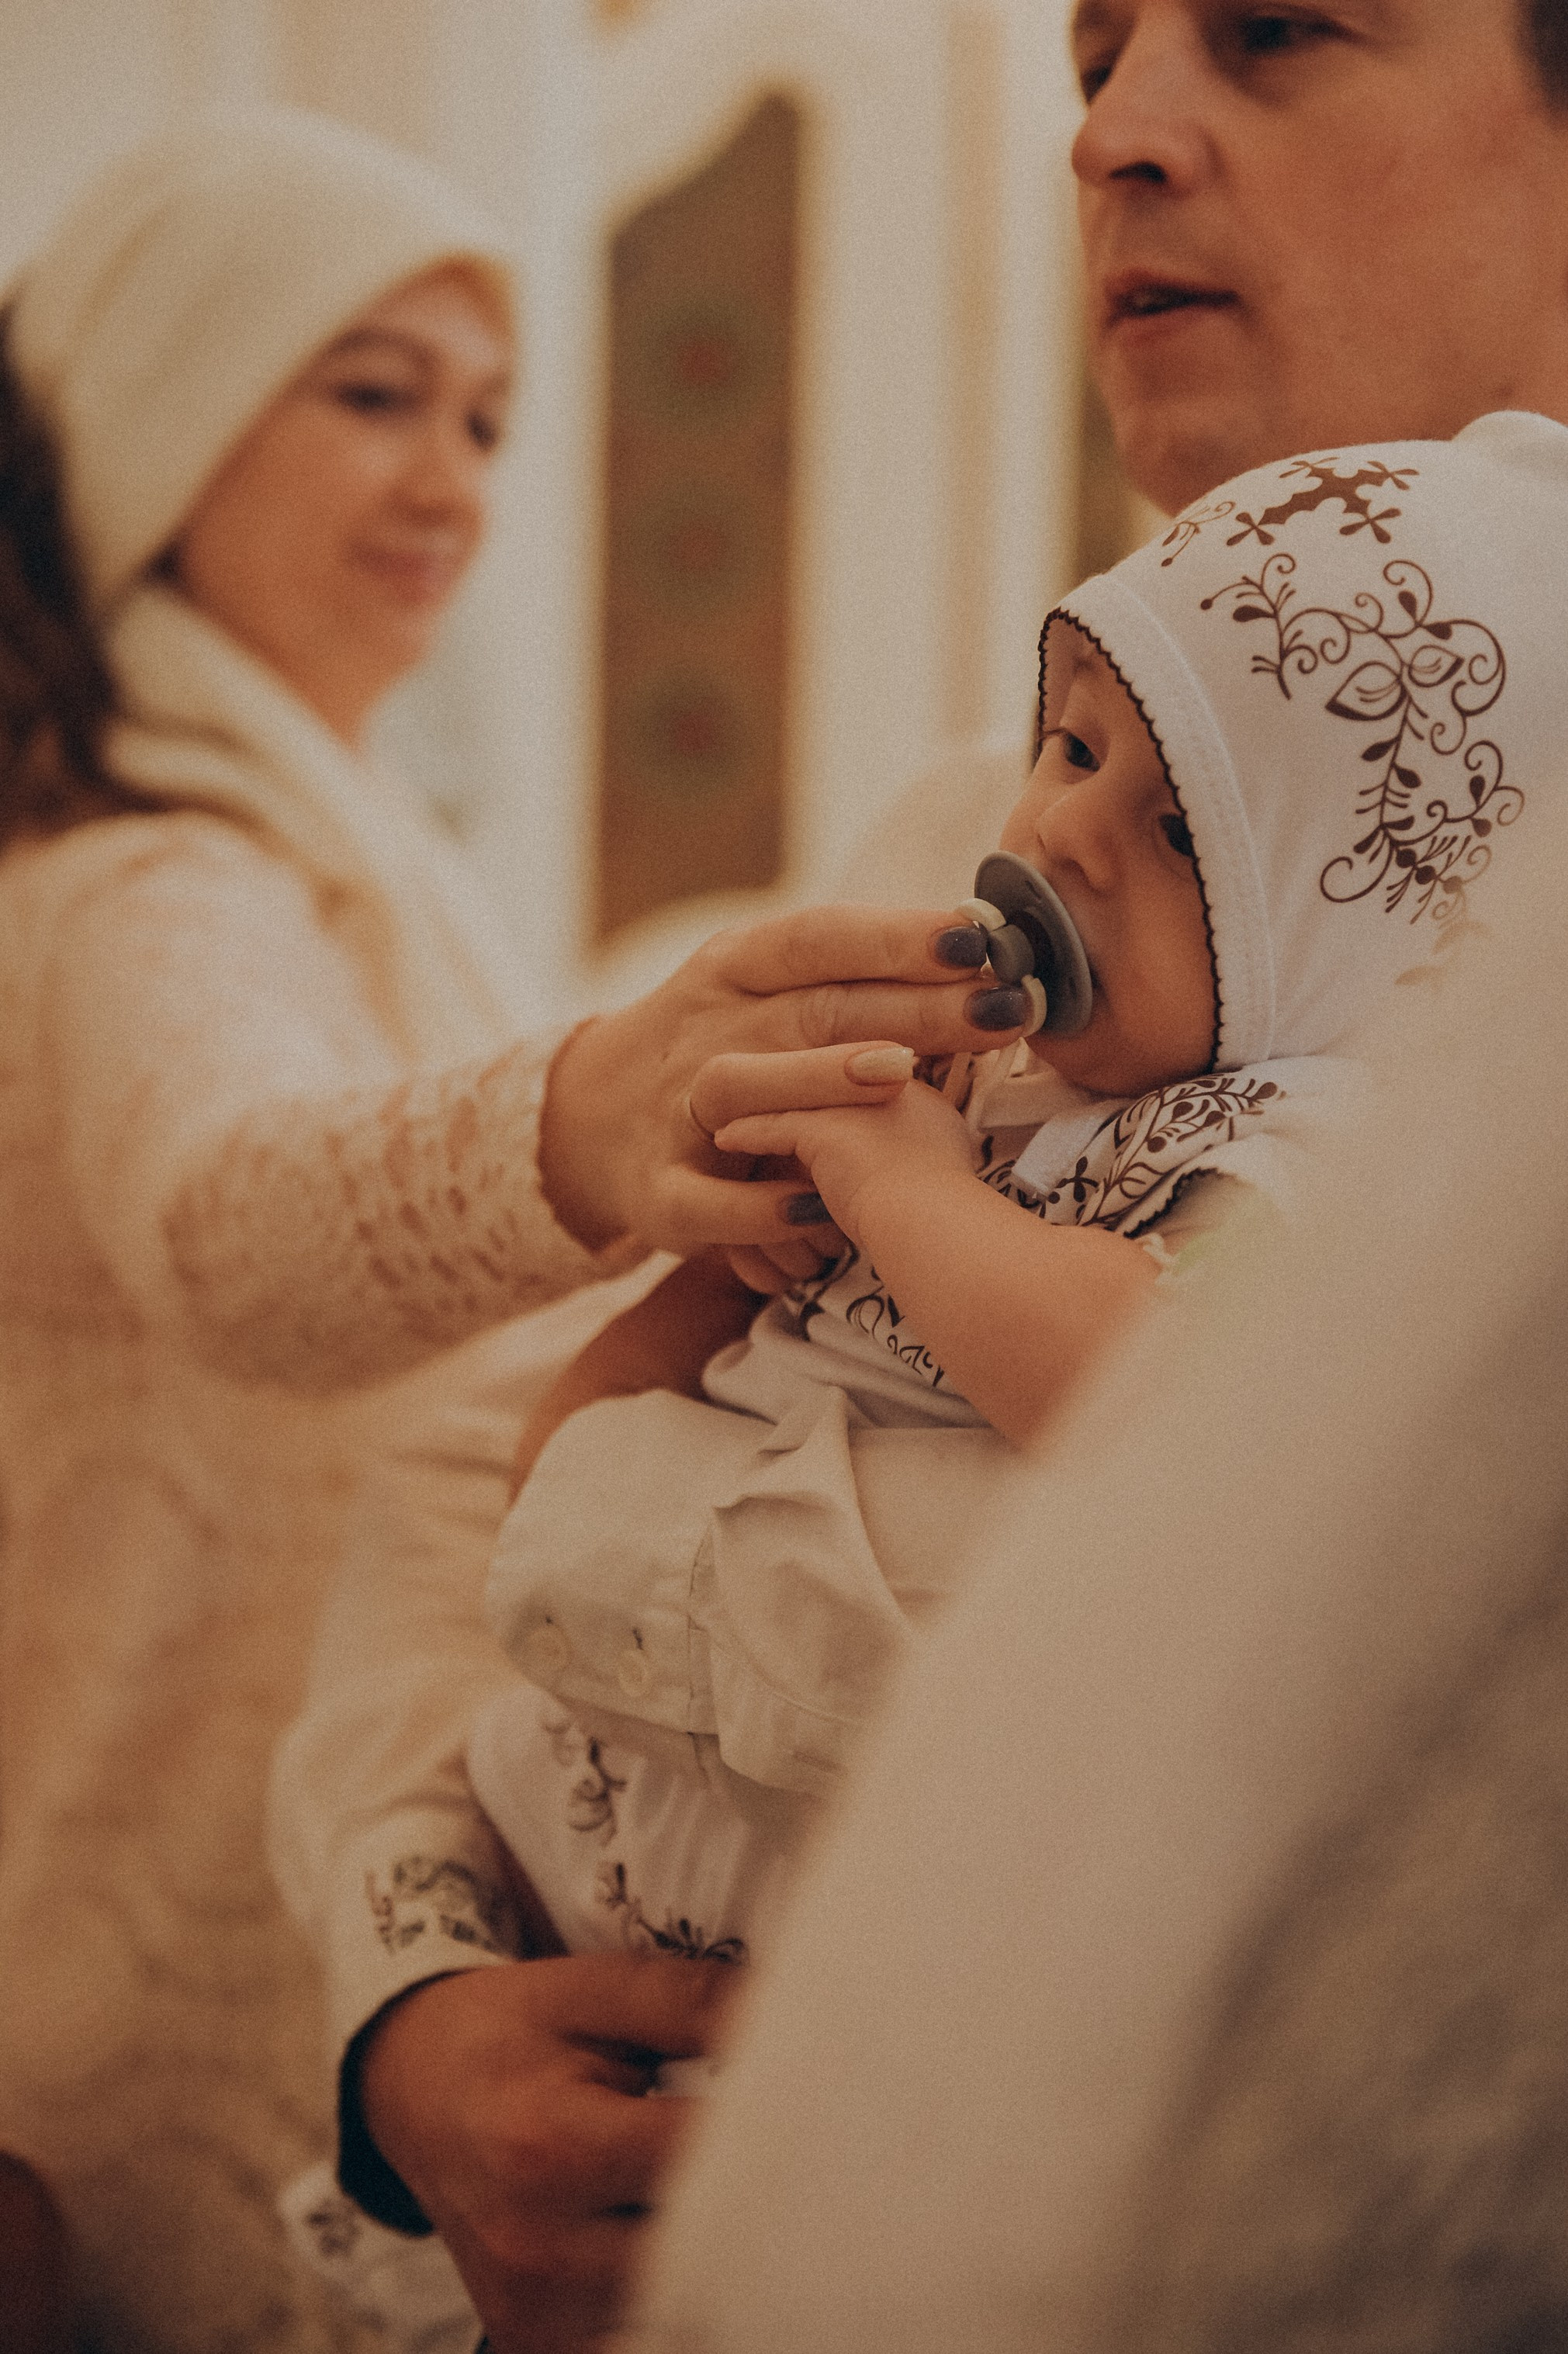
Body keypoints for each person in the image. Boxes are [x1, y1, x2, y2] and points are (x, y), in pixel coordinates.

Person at [274, 0, 1568, 2345]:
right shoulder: (974, 851)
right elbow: (498, 1447)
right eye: (1087, 55)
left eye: (1272, 33)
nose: (1112, 136)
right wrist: (419, 2019)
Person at [0, 106, 1018, 2353]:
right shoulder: (142, 879)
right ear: (155, 402)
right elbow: (233, 1223)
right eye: (368, 392)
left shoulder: (344, 848)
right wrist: (593, 1113)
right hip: (152, 2053)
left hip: (330, 1961)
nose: (452, 479)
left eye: (486, 416)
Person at [472, 414, 1544, 1985]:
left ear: (1354, 938)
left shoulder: (1309, 1143)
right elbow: (559, 1445)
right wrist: (739, 1249)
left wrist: (907, 1189)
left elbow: (1147, 1390)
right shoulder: (974, 1082)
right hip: (613, 1834)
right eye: (1076, 742)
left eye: (1184, 832)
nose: (1064, 832)